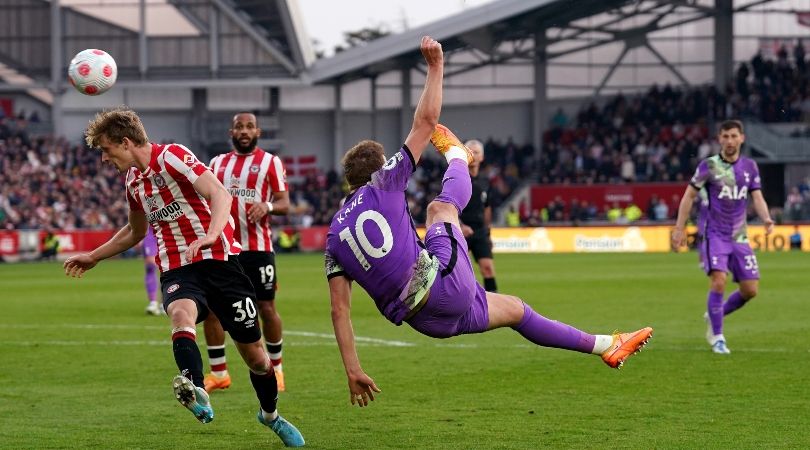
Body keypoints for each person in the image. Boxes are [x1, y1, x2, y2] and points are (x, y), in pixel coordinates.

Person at [325, 36, 653, 408]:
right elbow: (426, 122)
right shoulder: (384, 181)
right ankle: (459, 159)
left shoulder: (333, 237)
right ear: (376, 170)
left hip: (426, 322)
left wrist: (352, 369)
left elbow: (340, 310)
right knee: (439, 210)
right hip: (445, 287)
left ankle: (607, 346)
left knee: (514, 309)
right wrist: (435, 66)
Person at [63, 107, 304, 446]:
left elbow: (219, 193)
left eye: (106, 149)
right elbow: (134, 232)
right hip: (178, 266)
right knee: (180, 314)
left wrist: (210, 234)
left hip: (221, 260)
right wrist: (94, 256)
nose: (103, 158)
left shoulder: (173, 156)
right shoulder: (133, 183)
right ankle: (196, 389)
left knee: (257, 358)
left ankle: (270, 416)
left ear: (127, 142)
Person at [204, 112, 290, 393]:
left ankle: (276, 369)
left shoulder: (270, 162)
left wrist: (268, 206)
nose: (244, 130)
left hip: (258, 249)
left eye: (249, 126)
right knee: (213, 310)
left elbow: (284, 202)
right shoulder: (217, 163)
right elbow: (206, 197)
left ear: (258, 132)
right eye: (239, 126)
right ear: (231, 132)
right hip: (225, 249)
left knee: (267, 308)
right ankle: (219, 373)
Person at [672, 120, 774, 355]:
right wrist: (679, 228)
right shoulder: (708, 166)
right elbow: (688, 197)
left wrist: (766, 218)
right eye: (725, 136)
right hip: (715, 235)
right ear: (719, 138)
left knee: (750, 290)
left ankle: (714, 313)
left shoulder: (750, 167)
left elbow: (757, 197)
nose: (730, 141)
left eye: (733, 136)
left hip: (739, 237)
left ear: (742, 138)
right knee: (719, 280)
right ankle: (718, 337)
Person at [459, 139, 498, 292]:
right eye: (470, 151)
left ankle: (493, 303)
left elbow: (487, 208)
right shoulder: (457, 178)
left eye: (477, 152)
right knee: (462, 273)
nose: (473, 155)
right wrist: (461, 225)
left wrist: (488, 234)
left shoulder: (485, 182)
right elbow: (447, 206)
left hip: (480, 231)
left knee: (488, 268)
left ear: (482, 157)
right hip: (461, 231)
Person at [142, 226, 163, 315]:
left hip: (167, 228)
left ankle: (164, 304)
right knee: (150, 266)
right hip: (150, 230)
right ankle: (153, 303)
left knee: (166, 268)